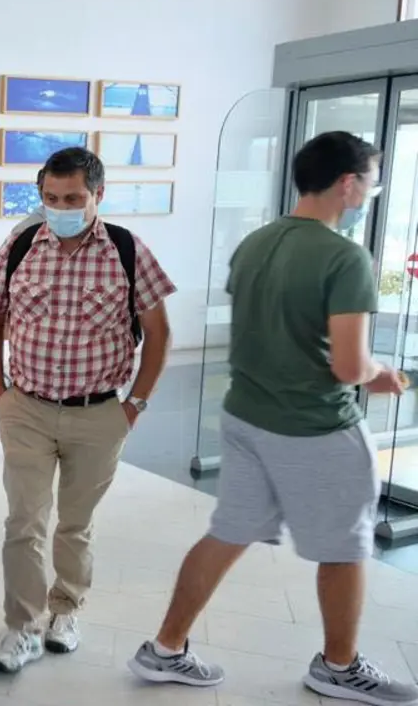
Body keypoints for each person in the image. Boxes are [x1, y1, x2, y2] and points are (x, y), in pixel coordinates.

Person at [128, 131, 418, 705]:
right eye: (371, 180)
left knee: (227, 533)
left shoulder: (254, 244)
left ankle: (164, 648)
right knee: (345, 547)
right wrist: (380, 375)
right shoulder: (345, 257)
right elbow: (349, 365)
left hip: (244, 417)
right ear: (347, 183)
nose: (372, 191)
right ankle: (338, 666)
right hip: (314, 428)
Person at [0, 147, 176, 673]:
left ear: (98, 196)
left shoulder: (128, 250)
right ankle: (20, 626)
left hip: (98, 414)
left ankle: (64, 610)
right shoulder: (20, 245)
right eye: (50, 198)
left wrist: (135, 403)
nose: (60, 206)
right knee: (24, 521)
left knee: (75, 524)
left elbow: (159, 333)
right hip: (27, 408)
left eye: (72, 198)